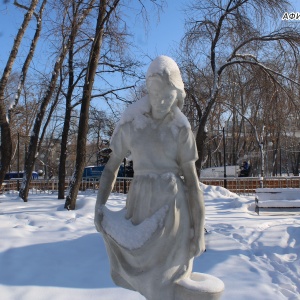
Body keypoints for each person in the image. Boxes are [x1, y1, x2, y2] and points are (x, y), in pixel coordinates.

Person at [94, 56, 205, 300]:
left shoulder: (180, 128)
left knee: (167, 278)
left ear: (178, 93)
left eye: (169, 95)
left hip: (173, 208)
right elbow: (111, 168)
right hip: (141, 203)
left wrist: (199, 230)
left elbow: (193, 183)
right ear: (148, 91)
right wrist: (99, 206)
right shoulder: (133, 123)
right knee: (148, 278)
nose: (163, 101)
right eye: (156, 94)